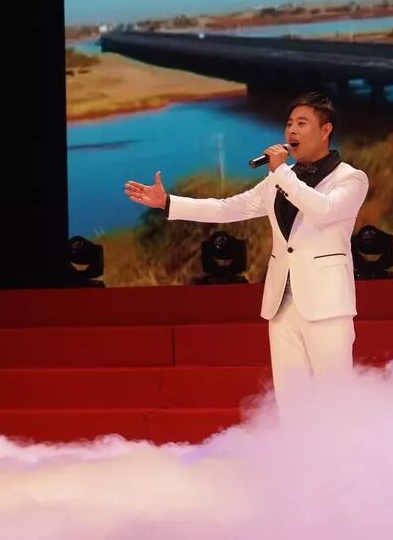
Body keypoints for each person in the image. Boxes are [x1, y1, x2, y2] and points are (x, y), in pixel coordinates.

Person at [124, 92, 369, 409]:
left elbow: (323, 210)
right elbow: (227, 208)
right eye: (289, 123)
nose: (292, 130)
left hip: (327, 304)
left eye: (302, 123)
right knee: (292, 401)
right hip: (281, 304)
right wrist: (168, 202)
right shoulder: (279, 181)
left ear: (325, 131)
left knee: (336, 400)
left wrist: (282, 173)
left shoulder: (350, 178)